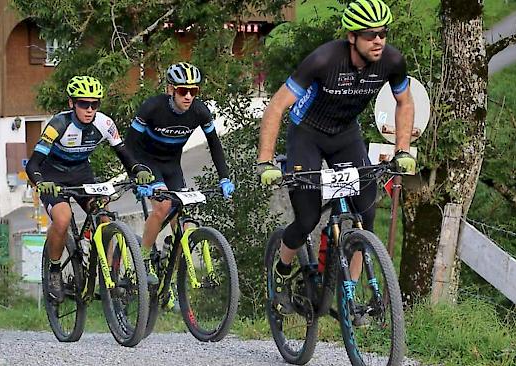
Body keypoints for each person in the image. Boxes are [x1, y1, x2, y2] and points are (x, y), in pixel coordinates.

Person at [256, 0, 417, 317]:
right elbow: (276, 106)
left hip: (346, 135)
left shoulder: (393, 61)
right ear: (351, 36)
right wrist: (265, 161)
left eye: (383, 33)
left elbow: (405, 102)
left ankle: (349, 295)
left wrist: (403, 150)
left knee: (366, 212)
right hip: (308, 134)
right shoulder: (323, 60)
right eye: (370, 35)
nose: (379, 41)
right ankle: (283, 270)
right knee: (307, 217)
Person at [25, 75, 153, 302]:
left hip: (83, 175)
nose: (89, 109)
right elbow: (34, 163)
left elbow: (124, 153)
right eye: (84, 104)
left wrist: (137, 169)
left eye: (95, 104)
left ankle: (108, 272)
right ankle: (54, 270)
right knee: (63, 219)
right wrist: (40, 182)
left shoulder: (105, 123)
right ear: (71, 104)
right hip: (53, 177)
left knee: (104, 215)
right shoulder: (58, 125)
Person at [126, 62, 235, 294]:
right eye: (183, 91)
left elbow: (215, 145)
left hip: (172, 165)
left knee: (183, 225)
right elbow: (128, 146)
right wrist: (136, 175)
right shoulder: (152, 108)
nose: (188, 96)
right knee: (163, 206)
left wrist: (224, 177)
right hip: (147, 163)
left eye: (193, 91)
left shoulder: (199, 111)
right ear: (170, 89)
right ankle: (143, 260)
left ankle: (171, 282)